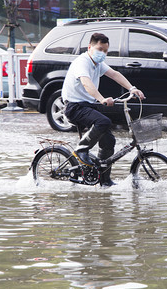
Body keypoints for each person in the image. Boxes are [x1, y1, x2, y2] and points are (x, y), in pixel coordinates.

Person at [62, 32, 145, 187]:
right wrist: (101, 98)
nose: (102, 53)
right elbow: (87, 83)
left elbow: (114, 74)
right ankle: (81, 150)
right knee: (103, 121)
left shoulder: (97, 63)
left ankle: (104, 181)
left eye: (105, 51)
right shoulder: (83, 62)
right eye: (100, 49)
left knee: (109, 141)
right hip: (74, 107)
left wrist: (132, 88)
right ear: (90, 47)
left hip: (87, 106)